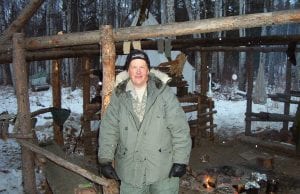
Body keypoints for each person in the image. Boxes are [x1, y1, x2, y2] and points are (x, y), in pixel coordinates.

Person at [98, 49, 192, 194]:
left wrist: (181, 160)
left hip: (163, 169)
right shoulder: (119, 96)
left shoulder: (164, 93)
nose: (138, 71)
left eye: (142, 67)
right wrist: (105, 159)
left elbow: (180, 129)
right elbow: (109, 129)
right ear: (128, 70)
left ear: (148, 70)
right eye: (134, 67)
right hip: (130, 170)